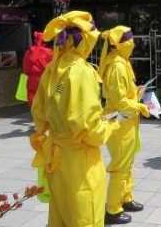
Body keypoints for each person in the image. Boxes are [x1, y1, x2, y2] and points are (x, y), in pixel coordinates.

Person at [29, 11, 120, 227]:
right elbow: (90, 130)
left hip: (57, 161)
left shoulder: (53, 69)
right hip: (80, 165)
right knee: (84, 218)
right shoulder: (81, 71)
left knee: (59, 218)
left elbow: (39, 113)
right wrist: (110, 124)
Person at [98, 26, 150, 225]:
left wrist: (136, 92)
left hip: (127, 121)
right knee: (120, 166)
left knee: (127, 164)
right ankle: (112, 209)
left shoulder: (122, 62)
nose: (133, 43)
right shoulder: (117, 66)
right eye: (130, 40)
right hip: (119, 122)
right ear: (121, 44)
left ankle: (126, 197)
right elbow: (119, 101)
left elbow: (122, 94)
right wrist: (140, 106)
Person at [22, 31, 53, 106]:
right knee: (46, 104)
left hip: (32, 82)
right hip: (46, 81)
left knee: (34, 105)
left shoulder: (28, 52)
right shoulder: (49, 52)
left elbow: (25, 69)